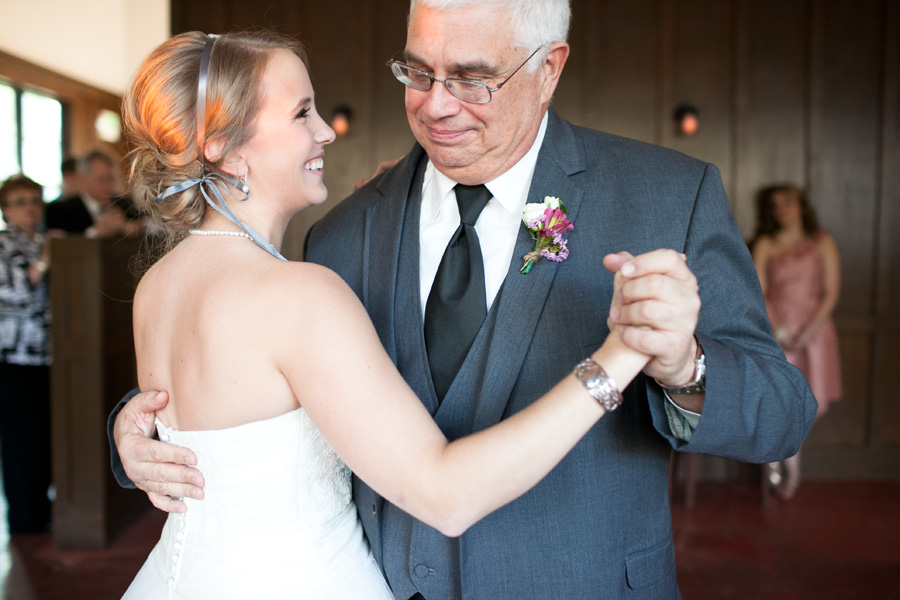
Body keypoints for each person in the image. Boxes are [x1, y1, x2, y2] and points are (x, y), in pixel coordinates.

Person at [111, 2, 818, 598]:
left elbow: (781, 415)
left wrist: (685, 369)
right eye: (418, 72)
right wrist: (141, 433)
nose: (436, 104)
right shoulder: (341, 232)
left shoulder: (667, 196)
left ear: (549, 68)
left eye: (472, 79)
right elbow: (259, 392)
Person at [751, 183, 842, 499]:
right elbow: (759, 291)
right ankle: (784, 467)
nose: (782, 210)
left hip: (815, 329)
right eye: (775, 205)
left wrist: (808, 332)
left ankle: (782, 456)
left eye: (787, 202)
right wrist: (779, 331)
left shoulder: (822, 241)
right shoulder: (765, 244)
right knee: (781, 399)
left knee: (814, 402)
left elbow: (831, 292)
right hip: (777, 327)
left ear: (801, 205)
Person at [0, 174, 53, 534]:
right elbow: (16, 291)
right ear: (5, 210)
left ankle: (42, 508)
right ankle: (23, 518)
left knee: (42, 435)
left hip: (48, 352)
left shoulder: (43, 240)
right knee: (21, 438)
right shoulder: (4, 243)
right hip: (15, 355)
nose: (29, 208)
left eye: (34, 200)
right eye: (20, 202)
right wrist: (47, 261)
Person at [45, 149, 137, 238]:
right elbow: (60, 245)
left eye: (111, 179)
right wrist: (96, 232)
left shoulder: (127, 204)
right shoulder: (60, 210)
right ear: (84, 178)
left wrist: (132, 228)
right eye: (101, 179)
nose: (107, 186)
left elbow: (143, 225)